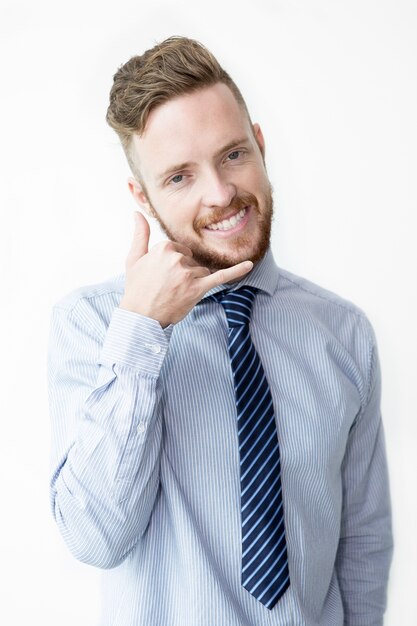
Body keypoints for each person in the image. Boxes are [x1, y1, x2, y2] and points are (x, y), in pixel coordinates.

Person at [48, 36, 393, 626]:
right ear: (144, 197)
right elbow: (96, 536)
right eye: (179, 177)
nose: (220, 192)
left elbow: (361, 544)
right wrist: (141, 331)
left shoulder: (343, 333)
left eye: (232, 155)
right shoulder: (95, 324)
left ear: (260, 145)